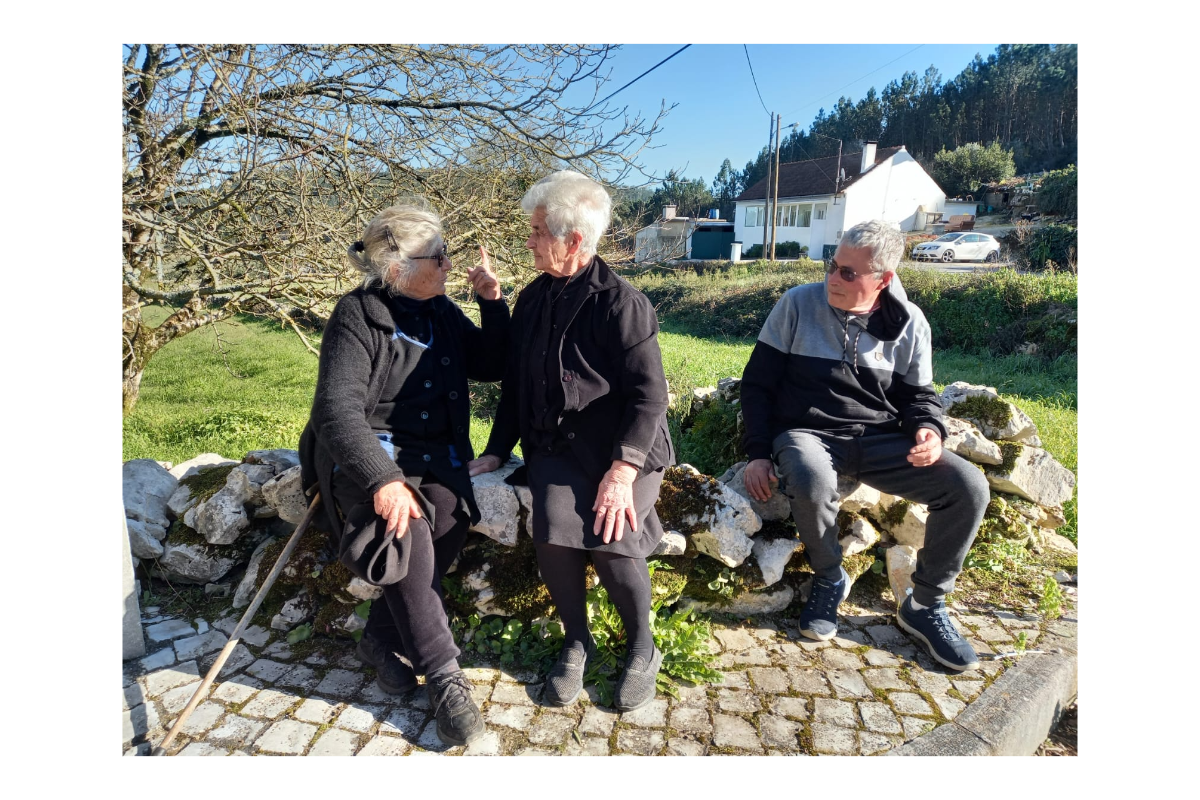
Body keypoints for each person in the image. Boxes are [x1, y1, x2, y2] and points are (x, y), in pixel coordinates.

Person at [738, 219, 991, 671]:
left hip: (879, 438)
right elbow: (757, 385)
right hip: (808, 433)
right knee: (810, 477)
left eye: (849, 272)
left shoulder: (911, 322)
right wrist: (758, 452)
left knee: (969, 486)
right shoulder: (797, 304)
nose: (833, 278)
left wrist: (929, 431)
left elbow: (919, 397)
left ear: (884, 279)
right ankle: (829, 577)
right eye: (832, 265)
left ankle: (925, 605)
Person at [299, 202, 508, 745]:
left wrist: (491, 302)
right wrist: (383, 479)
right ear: (398, 268)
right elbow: (335, 411)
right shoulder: (357, 315)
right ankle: (444, 677)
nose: (448, 264)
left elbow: (490, 364)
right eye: (439, 256)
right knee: (404, 530)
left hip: (434, 455)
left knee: (452, 520)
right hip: (367, 454)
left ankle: (378, 638)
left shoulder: (440, 310)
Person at [468, 170, 675, 711]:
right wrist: (497, 449)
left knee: (611, 531)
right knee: (554, 526)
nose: (529, 241)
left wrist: (622, 472)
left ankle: (642, 647)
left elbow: (650, 397)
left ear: (574, 239)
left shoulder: (622, 304)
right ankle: (576, 641)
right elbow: (516, 382)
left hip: (626, 449)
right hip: (559, 447)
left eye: (538, 231)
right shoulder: (533, 298)